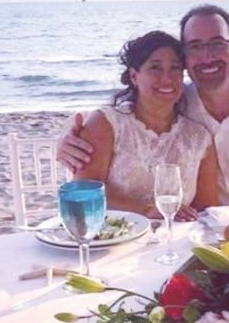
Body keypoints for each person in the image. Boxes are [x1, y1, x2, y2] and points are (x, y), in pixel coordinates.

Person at [58, 4, 229, 208]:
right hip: (201, 241)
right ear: (187, 58)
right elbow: (120, 120)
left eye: (217, 44)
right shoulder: (172, 102)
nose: (206, 56)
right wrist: (65, 137)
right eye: (195, 47)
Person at [71, 30, 219, 221]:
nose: (167, 78)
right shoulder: (107, 123)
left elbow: (207, 211)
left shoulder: (199, 138)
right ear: (134, 76)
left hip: (173, 244)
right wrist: (146, 209)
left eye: (175, 68)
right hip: (110, 241)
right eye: (155, 68)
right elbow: (82, 193)